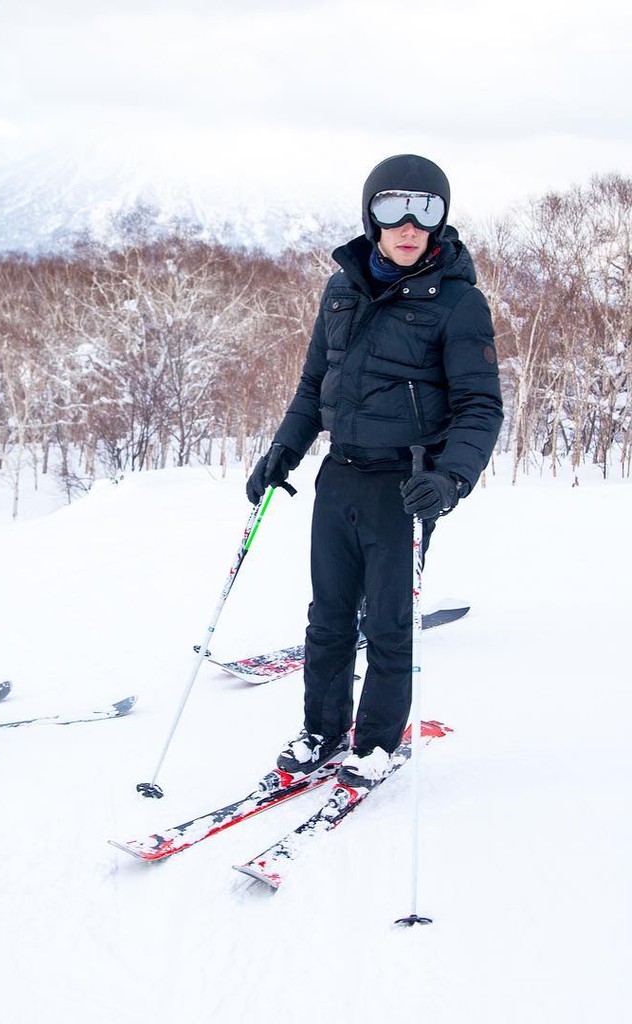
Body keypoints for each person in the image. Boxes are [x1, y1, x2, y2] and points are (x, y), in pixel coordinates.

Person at [247, 154, 503, 787]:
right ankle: (322, 731)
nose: (410, 226)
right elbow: (314, 385)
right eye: (394, 211)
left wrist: (449, 481)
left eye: (427, 211)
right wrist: (283, 450)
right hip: (339, 476)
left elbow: (480, 406)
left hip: (406, 484)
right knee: (328, 617)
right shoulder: (341, 290)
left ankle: (378, 743)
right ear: (371, 218)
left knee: (389, 623)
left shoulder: (459, 303)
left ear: (441, 221)